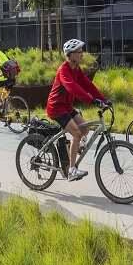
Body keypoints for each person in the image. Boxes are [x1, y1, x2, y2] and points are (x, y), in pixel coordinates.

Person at [46, 39, 110, 182]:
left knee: (85, 130)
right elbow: (72, 87)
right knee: (76, 133)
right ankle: (71, 170)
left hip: (67, 106)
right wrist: (91, 100)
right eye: (79, 52)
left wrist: (103, 99)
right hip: (56, 108)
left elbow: (88, 85)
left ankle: (72, 152)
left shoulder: (76, 69)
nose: (82, 54)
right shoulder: (64, 70)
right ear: (71, 55)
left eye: (82, 51)